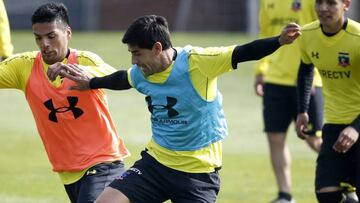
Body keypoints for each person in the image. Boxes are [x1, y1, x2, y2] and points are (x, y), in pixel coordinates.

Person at [49, 15, 301, 203]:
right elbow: (121, 79)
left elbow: (244, 52)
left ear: (158, 48)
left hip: (198, 174)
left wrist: (279, 41)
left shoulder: (199, 62)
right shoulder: (141, 73)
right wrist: (91, 82)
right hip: (155, 165)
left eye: (137, 54)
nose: (134, 61)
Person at [0, 2, 129, 203]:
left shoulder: (86, 61)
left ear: (67, 33)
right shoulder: (23, 66)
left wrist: (76, 72)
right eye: (38, 38)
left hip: (103, 164)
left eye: (51, 36)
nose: (45, 44)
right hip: (69, 173)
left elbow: (119, 77)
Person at [253, 0, 324, 202]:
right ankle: (285, 195)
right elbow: (264, 34)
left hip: (307, 80)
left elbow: (322, 31)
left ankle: (346, 182)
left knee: (314, 140)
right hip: (274, 79)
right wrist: (260, 71)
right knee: (275, 138)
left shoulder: (313, 2)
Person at [295, 0, 360, 202]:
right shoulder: (307, 34)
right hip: (333, 124)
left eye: (331, 3)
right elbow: (305, 69)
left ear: (346, 5)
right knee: (325, 193)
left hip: (358, 123)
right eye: (319, 2)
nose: (324, 8)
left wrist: (356, 127)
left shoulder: (357, 37)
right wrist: (302, 110)